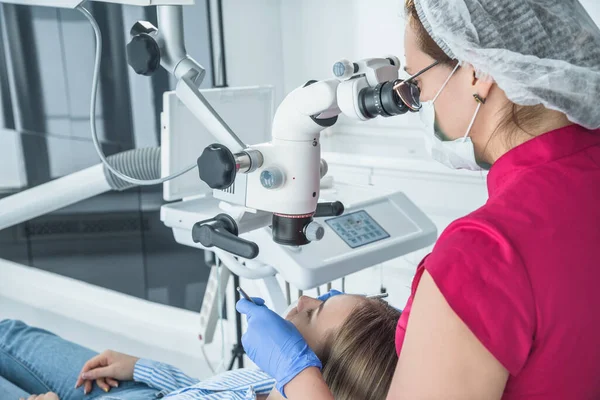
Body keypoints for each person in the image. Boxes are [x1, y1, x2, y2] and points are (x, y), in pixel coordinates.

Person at [235, 1, 600, 399]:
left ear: (477, 73)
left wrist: (299, 378)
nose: (416, 103)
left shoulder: (483, 257)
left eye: (418, 84)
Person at [0, 294, 399, 400]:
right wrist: (141, 367)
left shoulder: (293, 373)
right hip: (142, 390)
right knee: (8, 335)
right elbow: (204, 392)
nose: (306, 299)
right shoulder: (269, 378)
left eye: (315, 313)